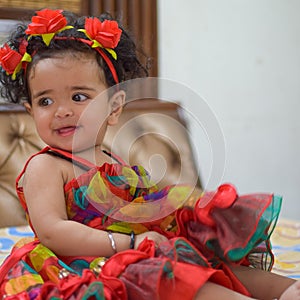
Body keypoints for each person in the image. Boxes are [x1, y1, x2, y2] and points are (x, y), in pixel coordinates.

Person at [0, 8, 299, 300]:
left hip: (134, 249)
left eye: (79, 97)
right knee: (163, 276)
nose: (61, 111)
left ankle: (282, 289)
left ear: (114, 108)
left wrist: (180, 216)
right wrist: (129, 242)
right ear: (30, 111)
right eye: (45, 101)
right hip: (85, 264)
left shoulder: (110, 158)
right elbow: (53, 232)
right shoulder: (46, 166)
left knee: (203, 254)